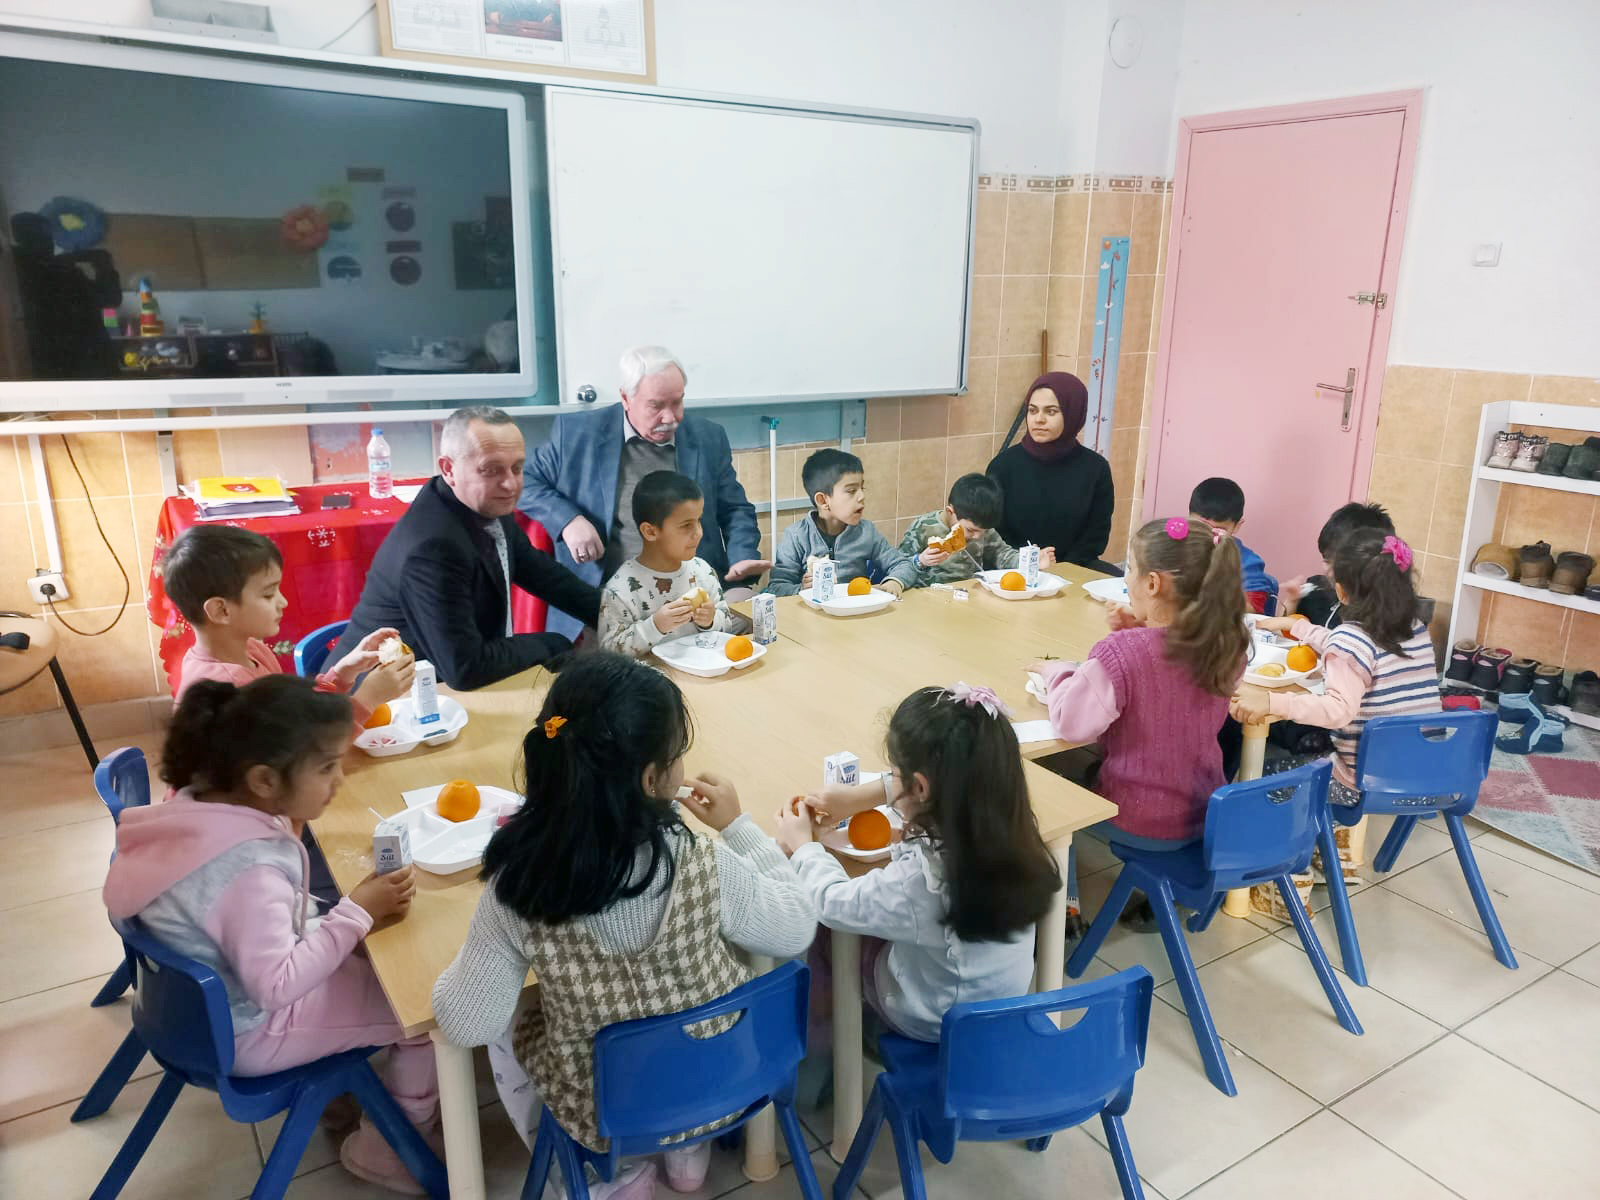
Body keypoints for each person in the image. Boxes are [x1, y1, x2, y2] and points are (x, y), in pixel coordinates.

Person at [431, 654, 815, 1197]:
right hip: (726, 1080)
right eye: (677, 756)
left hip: (605, 1113)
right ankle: (687, 1156)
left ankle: (609, 1173)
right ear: (653, 779)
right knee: (683, 1009)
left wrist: (461, 960)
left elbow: (466, 1023)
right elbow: (796, 926)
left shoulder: (518, 891)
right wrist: (740, 828)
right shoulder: (702, 859)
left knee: (511, 1024)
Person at [101, 676, 436, 1194]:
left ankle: (338, 1098)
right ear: (262, 780)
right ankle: (387, 1153)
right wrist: (356, 913)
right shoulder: (246, 870)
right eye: (326, 767)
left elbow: (253, 924)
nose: (339, 779)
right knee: (422, 1010)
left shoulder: (196, 804)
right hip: (250, 1029)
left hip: (190, 1010)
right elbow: (275, 985)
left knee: (371, 957)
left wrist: (344, 912)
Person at [776, 684, 1060, 1044]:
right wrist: (861, 796)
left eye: (895, 772)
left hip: (936, 1019)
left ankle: (822, 1043)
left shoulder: (923, 881)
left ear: (921, 788)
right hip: (995, 1000)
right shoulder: (1014, 827)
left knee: (823, 931)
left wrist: (803, 846)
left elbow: (831, 902)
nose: (891, 778)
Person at [1031, 517, 1248, 927]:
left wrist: (1056, 672)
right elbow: (1171, 675)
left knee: (1049, 784)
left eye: (1129, 569)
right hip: (1204, 809)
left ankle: (1066, 915)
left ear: (1152, 584)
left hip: (1141, 816)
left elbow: (1071, 725)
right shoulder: (1229, 643)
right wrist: (1145, 629)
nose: (1125, 578)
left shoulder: (1123, 652)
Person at [1232, 530, 1441, 908]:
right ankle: (1334, 855)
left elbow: (1336, 710)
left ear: (1341, 592)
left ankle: (1287, 887)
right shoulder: (1414, 628)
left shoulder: (1351, 641)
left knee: (1264, 770)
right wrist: (1299, 628)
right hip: (1423, 773)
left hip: (1360, 783)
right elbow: (1348, 644)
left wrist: (1271, 701)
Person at [336, 406, 600, 690]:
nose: (510, 484)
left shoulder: (482, 504)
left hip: (446, 681)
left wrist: (622, 614)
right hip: (384, 702)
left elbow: (544, 575)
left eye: (517, 468)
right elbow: (465, 668)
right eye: (491, 470)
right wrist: (557, 643)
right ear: (449, 468)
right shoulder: (433, 546)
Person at [520, 346, 768, 640]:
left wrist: (742, 557)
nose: (670, 417)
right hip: (609, 601)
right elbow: (523, 480)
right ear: (625, 398)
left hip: (692, 598)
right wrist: (569, 521)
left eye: (677, 402)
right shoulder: (577, 433)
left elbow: (735, 508)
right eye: (656, 405)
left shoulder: (707, 436)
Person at [162, 525, 413, 730]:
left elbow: (295, 715)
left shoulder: (252, 649)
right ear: (221, 610)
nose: (284, 602)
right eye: (269, 594)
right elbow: (298, 759)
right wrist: (367, 700)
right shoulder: (228, 691)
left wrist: (342, 674)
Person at [598, 471, 741, 658]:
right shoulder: (620, 590)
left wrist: (711, 620)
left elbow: (726, 624)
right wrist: (655, 626)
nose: (698, 533)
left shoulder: (703, 572)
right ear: (650, 531)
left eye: (699, 521)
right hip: (651, 683)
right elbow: (609, 652)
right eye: (686, 525)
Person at [986, 371, 1115, 568]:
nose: (1039, 419)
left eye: (1051, 411)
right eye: (1032, 410)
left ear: (1073, 413)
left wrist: (1064, 570)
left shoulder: (1096, 469)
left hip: (1076, 569)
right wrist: (1030, 562)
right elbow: (994, 534)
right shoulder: (1003, 466)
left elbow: (1095, 536)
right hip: (1014, 568)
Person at [765, 449, 916, 596]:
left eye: (862, 488)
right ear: (823, 500)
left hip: (853, 612)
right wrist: (801, 589)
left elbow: (903, 564)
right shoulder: (797, 536)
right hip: (812, 615)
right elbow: (777, 587)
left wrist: (894, 582)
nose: (861, 496)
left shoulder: (866, 532)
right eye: (851, 491)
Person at [898, 473, 1058, 588]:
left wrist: (1031, 561)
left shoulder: (982, 530)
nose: (977, 536)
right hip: (928, 597)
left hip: (969, 595)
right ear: (950, 512)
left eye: (983, 531)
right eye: (970, 530)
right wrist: (920, 561)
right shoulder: (924, 526)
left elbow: (1003, 555)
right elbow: (898, 565)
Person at [1282, 502, 1397, 628]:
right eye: (1326, 560)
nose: (1327, 568)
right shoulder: (1316, 591)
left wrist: (1307, 631)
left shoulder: (1380, 610)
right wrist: (1292, 600)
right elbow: (1281, 630)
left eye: (1337, 562)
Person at [1188, 477, 1278, 613]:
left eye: (1219, 530)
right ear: (1188, 518)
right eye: (1200, 528)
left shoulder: (1248, 563)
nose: (1208, 536)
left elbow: (1252, 611)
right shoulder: (1175, 548)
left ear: (1237, 526)